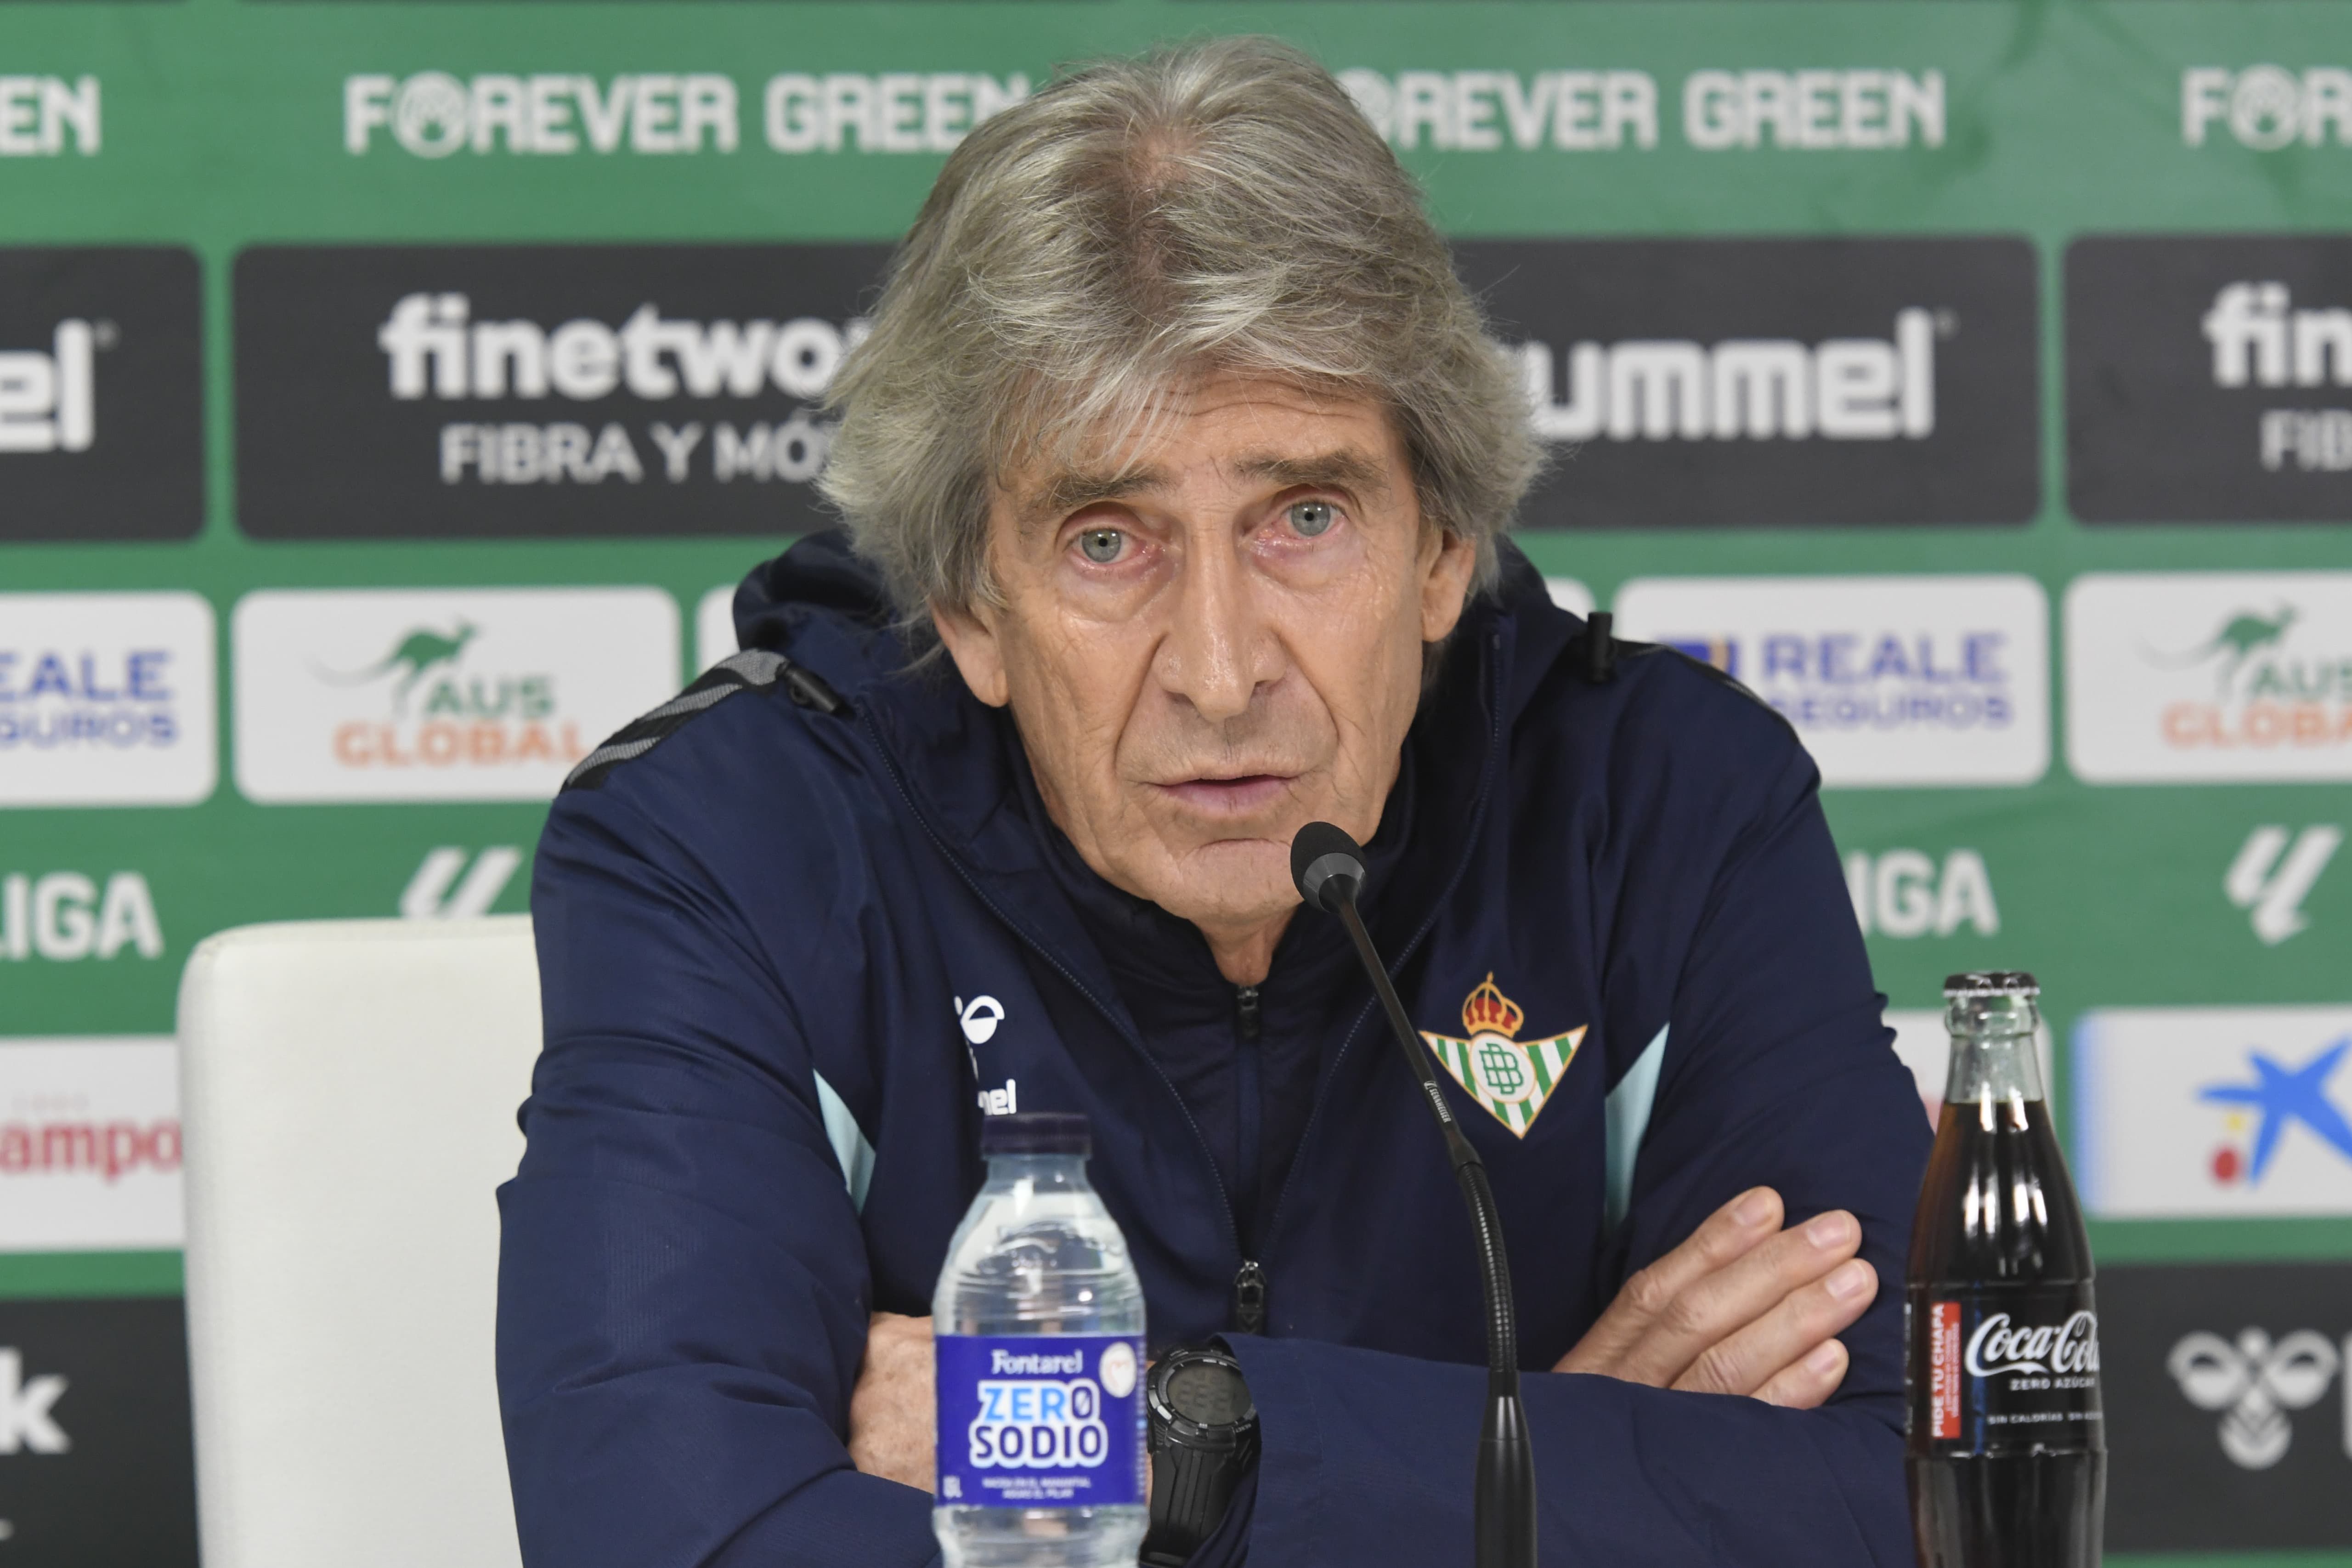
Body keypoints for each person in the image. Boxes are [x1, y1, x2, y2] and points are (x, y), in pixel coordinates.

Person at [497, 36, 1930, 1568]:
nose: (1224, 669)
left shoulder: (1666, 804)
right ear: (970, 606)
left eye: (1303, 518)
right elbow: (672, 1533)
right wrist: (1533, 1479)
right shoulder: (726, 842)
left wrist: (1151, 1444)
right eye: (1110, 541)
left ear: (1443, 550)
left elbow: (1926, 1501)